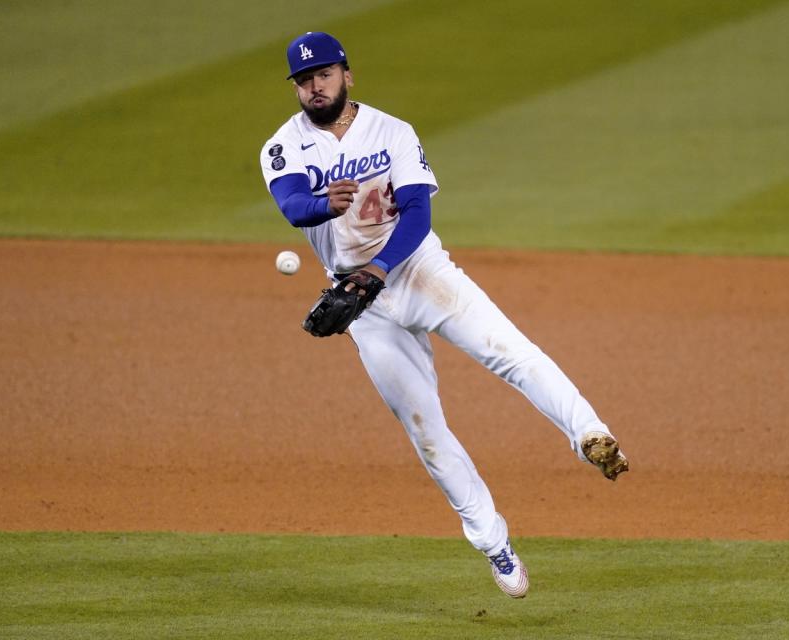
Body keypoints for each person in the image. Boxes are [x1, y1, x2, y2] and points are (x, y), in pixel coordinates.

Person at [260, 32, 628, 599]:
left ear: (347, 76)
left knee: (508, 350)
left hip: (416, 270)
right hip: (362, 304)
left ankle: (590, 435)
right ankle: (493, 543)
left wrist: (378, 268)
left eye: (324, 75)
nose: (315, 87)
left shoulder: (393, 131)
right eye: (304, 80)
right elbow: (290, 206)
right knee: (425, 429)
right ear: (296, 87)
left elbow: (417, 213)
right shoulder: (282, 146)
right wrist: (320, 206)